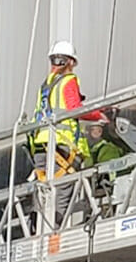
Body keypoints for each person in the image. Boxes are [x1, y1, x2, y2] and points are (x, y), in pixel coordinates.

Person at [30, 41, 107, 227]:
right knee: (62, 191)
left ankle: (36, 229)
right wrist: (101, 114)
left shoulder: (45, 86)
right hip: (61, 145)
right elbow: (74, 109)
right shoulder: (68, 80)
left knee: (43, 190)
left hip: (42, 145)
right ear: (70, 62)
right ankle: (55, 234)